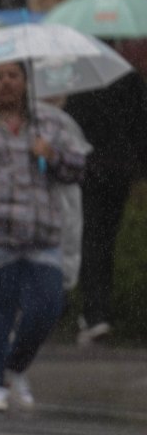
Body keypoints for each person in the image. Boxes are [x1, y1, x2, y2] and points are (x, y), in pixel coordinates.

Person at [0, 61, 89, 412]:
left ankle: (14, 366)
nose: (6, 83)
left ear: (26, 81)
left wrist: (53, 155)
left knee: (47, 306)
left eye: (13, 76)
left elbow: (77, 169)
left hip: (42, 234)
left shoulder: (51, 122)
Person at [65, 68, 147, 345]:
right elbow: (141, 125)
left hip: (89, 171)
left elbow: (71, 127)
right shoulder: (130, 78)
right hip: (119, 170)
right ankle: (98, 312)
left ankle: (93, 313)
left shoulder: (77, 81)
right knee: (105, 240)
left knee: (90, 239)